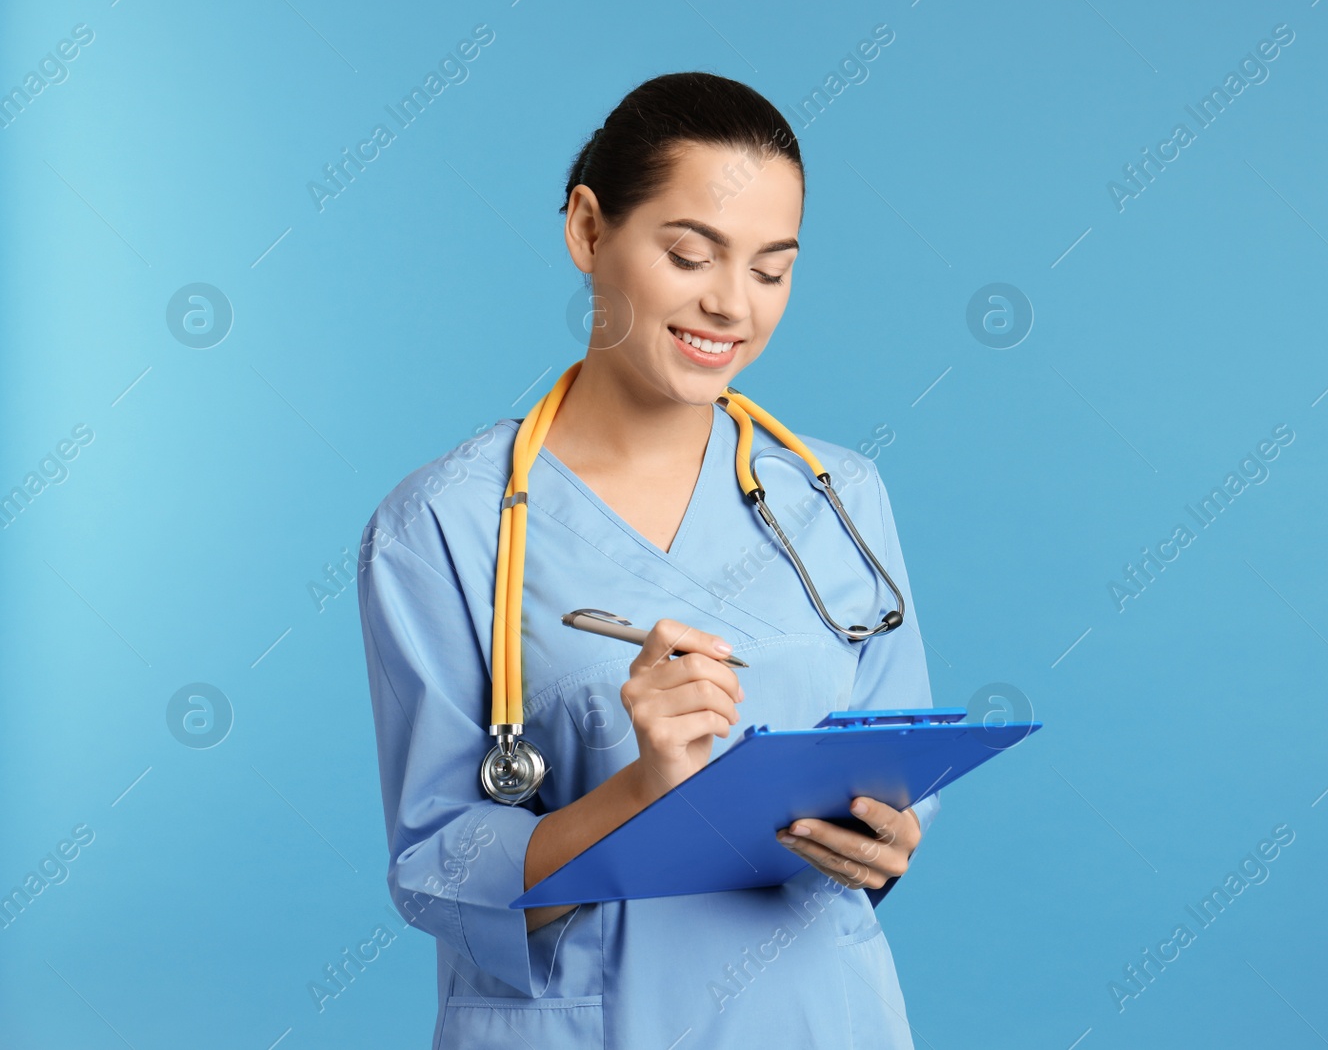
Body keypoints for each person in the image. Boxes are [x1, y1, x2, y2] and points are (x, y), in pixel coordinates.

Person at [357, 70, 942, 1049]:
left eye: (770, 269)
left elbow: (893, 785)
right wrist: (643, 787)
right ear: (589, 230)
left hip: (820, 1016)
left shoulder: (839, 498)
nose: (730, 304)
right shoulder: (445, 525)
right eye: (688, 253)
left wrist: (886, 840)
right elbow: (438, 867)